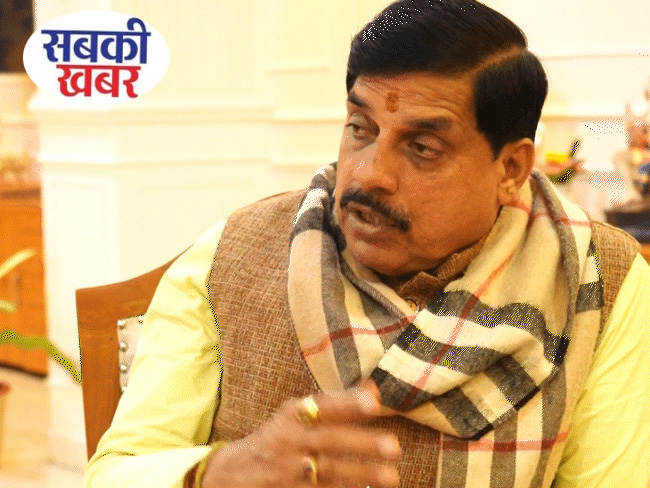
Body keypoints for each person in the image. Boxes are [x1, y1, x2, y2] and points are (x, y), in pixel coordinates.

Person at [84, 1, 650, 487]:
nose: (369, 174)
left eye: (422, 147)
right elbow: (115, 473)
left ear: (510, 169)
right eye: (361, 128)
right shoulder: (232, 254)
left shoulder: (597, 279)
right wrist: (220, 471)